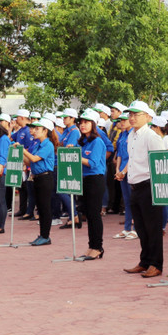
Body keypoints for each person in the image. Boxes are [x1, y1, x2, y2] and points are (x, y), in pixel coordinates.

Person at [121, 101, 167, 278]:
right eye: (130, 115)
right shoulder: (131, 135)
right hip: (134, 185)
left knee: (152, 228)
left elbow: (159, 162)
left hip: (148, 185)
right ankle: (145, 260)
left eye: (136, 114)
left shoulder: (152, 136)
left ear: (148, 117)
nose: (131, 118)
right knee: (140, 227)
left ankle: (156, 264)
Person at [74, 110, 108, 261]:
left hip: (95, 179)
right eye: (81, 122)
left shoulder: (97, 141)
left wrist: (75, 156)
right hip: (85, 179)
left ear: (93, 124)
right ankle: (91, 246)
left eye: (86, 122)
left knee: (94, 215)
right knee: (88, 214)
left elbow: (92, 163)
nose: (82, 125)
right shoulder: (83, 142)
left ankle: (98, 247)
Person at [20, 118, 58, 246]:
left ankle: (46, 236)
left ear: (45, 131)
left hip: (45, 178)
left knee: (45, 208)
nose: (34, 131)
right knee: (40, 208)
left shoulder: (48, 145)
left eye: (37, 129)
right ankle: (42, 234)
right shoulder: (36, 144)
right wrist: (20, 153)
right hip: (37, 177)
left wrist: (23, 150)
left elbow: (35, 159)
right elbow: (29, 161)